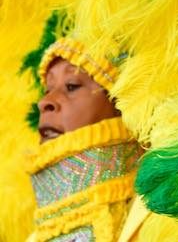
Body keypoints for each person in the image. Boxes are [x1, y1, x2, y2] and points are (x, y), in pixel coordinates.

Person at [24, 16, 147, 242]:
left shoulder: (160, 209)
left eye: (71, 86)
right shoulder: (35, 236)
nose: (45, 102)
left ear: (120, 104)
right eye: (47, 90)